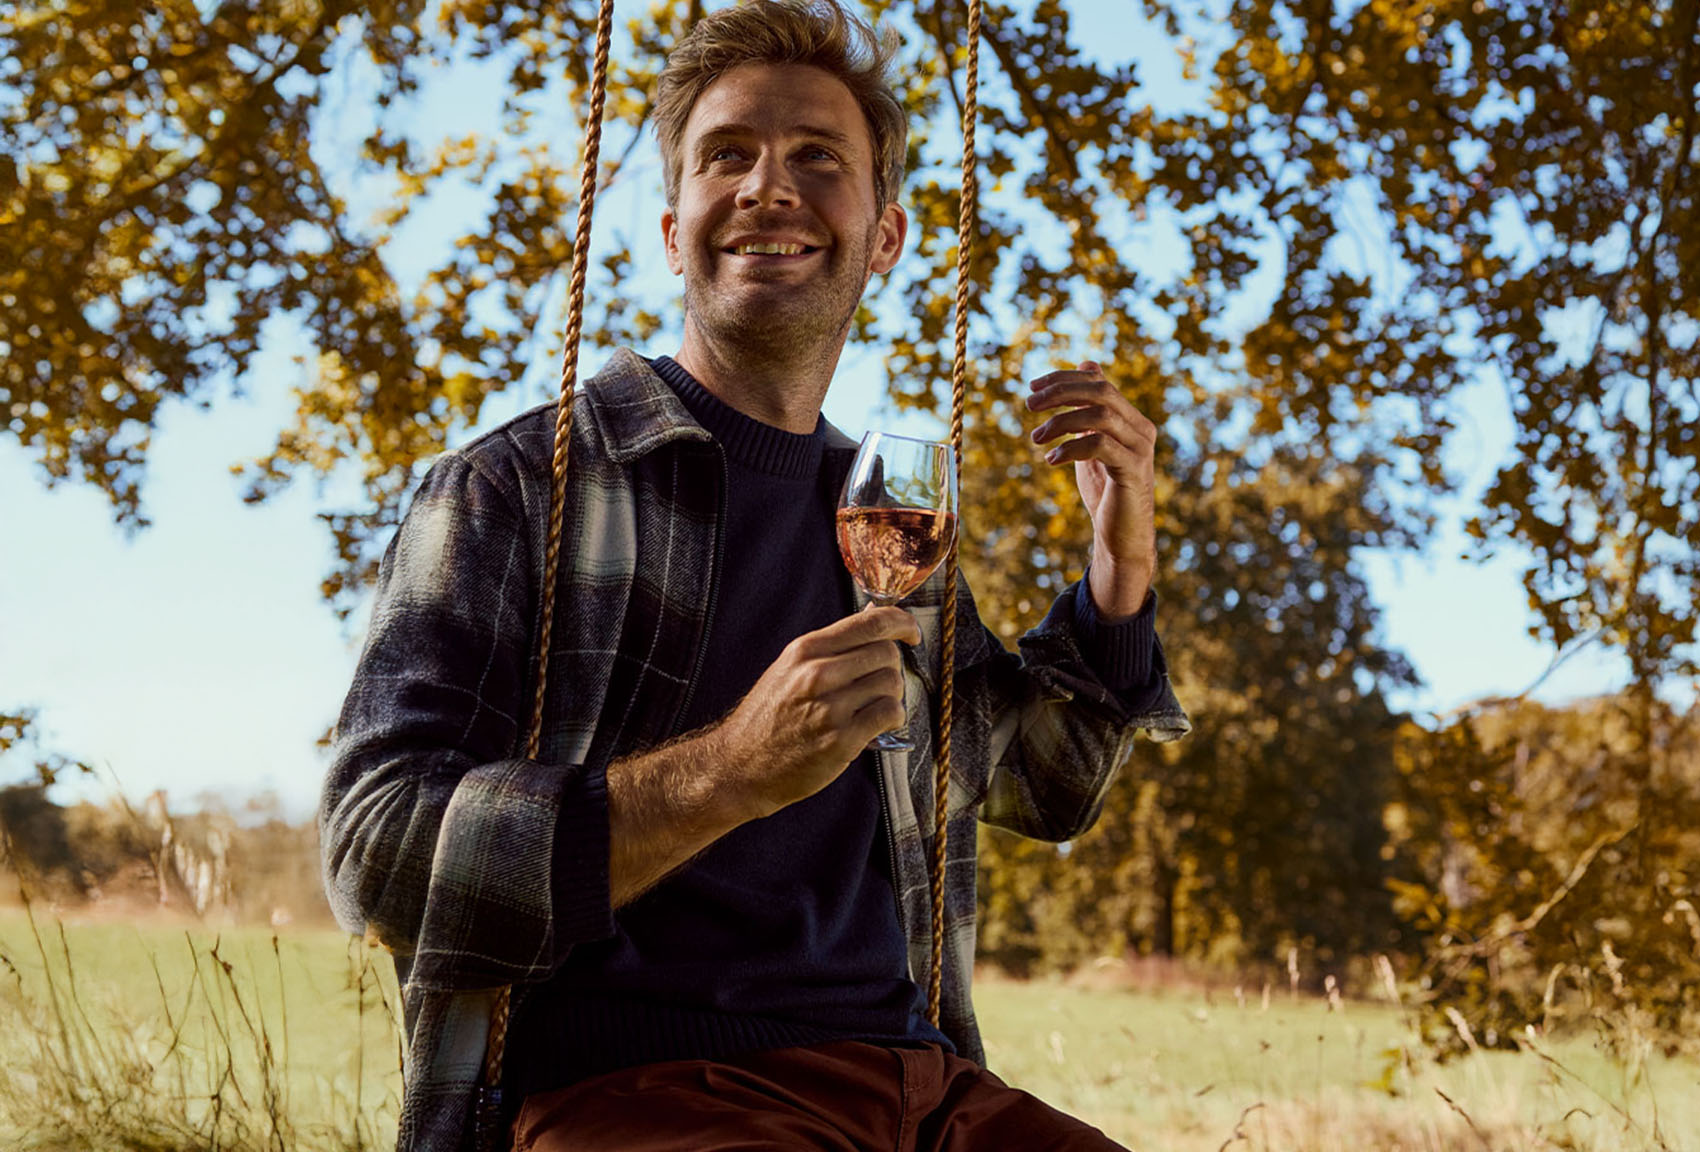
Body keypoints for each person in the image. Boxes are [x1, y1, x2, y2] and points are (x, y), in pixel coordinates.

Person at [319, 1, 1189, 1148]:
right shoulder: (516, 488)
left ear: (886, 235)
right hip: (634, 1093)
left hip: (920, 1093)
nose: (770, 186)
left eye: (818, 159)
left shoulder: (889, 523)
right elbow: (374, 857)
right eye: (728, 153)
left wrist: (1118, 571)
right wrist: (728, 773)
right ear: (675, 231)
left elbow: (1042, 783)